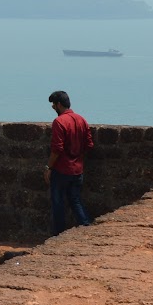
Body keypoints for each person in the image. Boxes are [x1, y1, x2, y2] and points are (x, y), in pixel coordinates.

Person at [45, 90, 94, 235]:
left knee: (58, 203)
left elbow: (57, 149)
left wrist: (48, 167)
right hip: (78, 169)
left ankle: (58, 235)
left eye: (54, 105)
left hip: (62, 169)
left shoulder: (59, 122)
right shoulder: (81, 120)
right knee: (75, 200)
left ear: (59, 104)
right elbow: (89, 145)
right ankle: (86, 227)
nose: (53, 108)